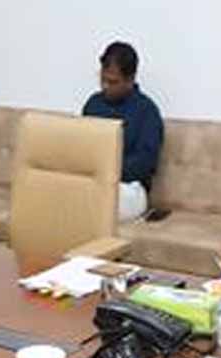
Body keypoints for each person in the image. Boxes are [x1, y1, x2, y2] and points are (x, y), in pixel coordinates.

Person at [82, 41, 164, 222]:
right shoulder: (93, 104)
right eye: (102, 79)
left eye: (112, 82)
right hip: (92, 182)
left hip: (129, 189)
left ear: (130, 79)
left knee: (100, 200)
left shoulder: (147, 111)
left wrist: (107, 170)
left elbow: (144, 164)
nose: (105, 86)